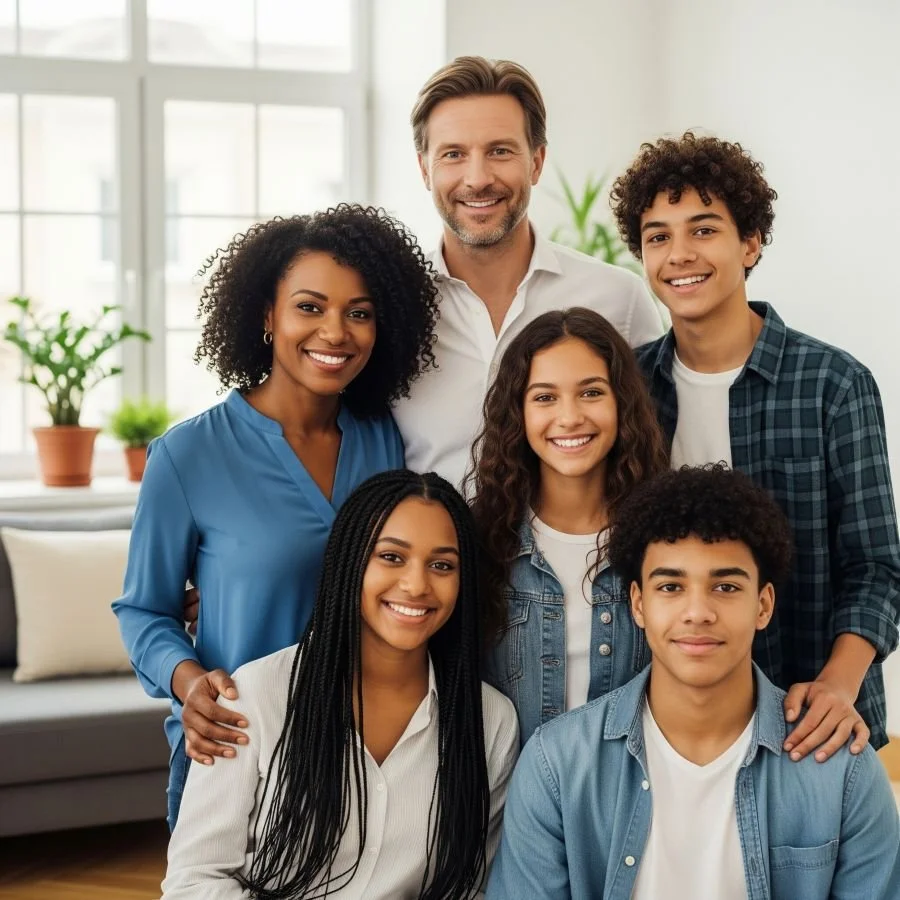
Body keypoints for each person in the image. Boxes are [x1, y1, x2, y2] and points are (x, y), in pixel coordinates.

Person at [113, 204, 440, 830]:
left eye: (360, 312)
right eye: (309, 307)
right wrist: (189, 682)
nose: (335, 332)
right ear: (267, 315)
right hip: (239, 751)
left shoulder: (386, 439)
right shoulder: (188, 455)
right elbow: (144, 610)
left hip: (371, 759)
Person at [610, 132, 900, 757]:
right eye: (658, 237)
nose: (679, 254)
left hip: (814, 723)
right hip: (674, 724)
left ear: (750, 242)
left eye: (704, 229)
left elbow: (876, 567)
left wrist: (837, 684)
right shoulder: (628, 386)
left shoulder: (833, 384)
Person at [487, 465, 900, 900]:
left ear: (763, 605)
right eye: (671, 587)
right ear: (638, 604)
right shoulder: (556, 765)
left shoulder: (843, 772)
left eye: (725, 587)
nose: (698, 612)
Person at [161, 470, 519, 899]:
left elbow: (472, 889)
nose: (416, 585)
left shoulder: (491, 721)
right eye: (391, 557)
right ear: (350, 561)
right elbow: (194, 883)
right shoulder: (255, 695)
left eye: (442, 565)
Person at [393, 56, 663, 487]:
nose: (477, 178)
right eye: (453, 154)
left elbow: (652, 454)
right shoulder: (392, 310)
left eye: (500, 151)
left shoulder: (619, 299)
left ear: (536, 162)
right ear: (425, 169)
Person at [468, 308, 667, 744]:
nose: (570, 417)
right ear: (518, 412)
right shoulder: (478, 542)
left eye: (591, 392)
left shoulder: (665, 542)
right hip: (508, 785)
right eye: (545, 397)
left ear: (622, 403)